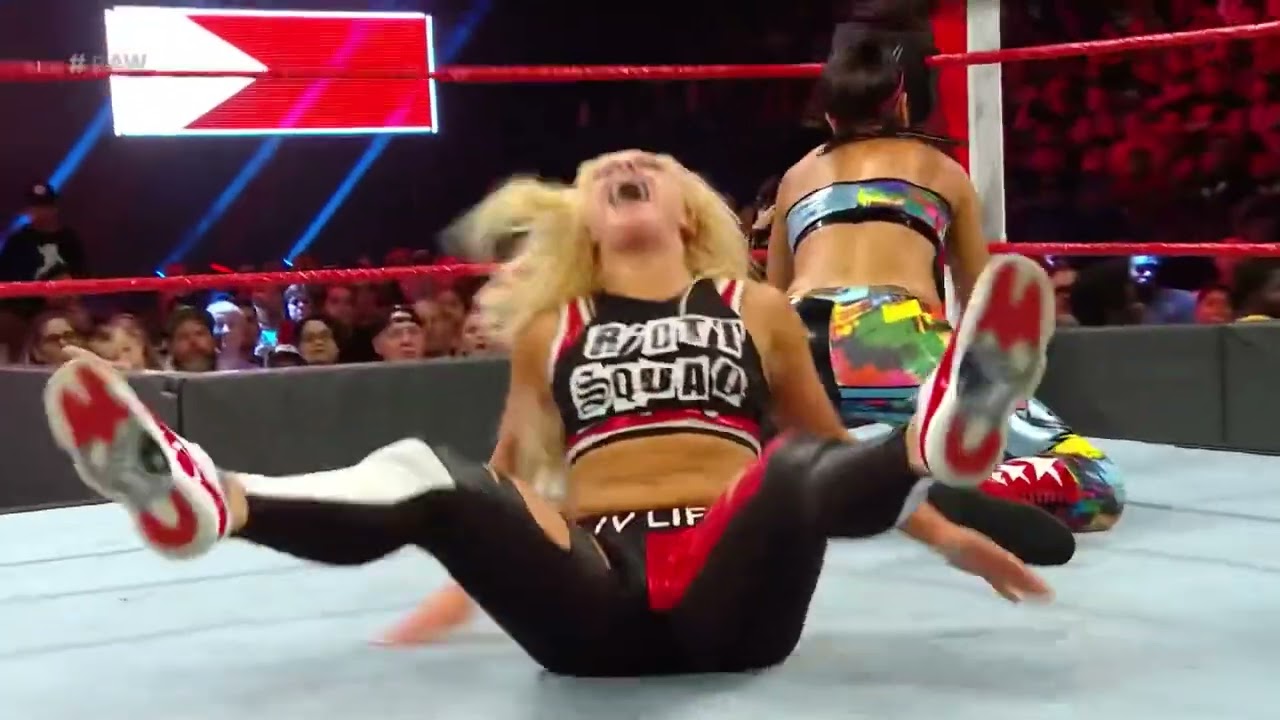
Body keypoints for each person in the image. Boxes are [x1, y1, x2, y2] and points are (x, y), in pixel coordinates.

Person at [44, 150, 1055, 677]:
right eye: (602, 171)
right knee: (423, 466)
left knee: (789, 466)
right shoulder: (552, 331)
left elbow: (827, 458)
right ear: (585, 220)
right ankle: (216, 499)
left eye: (645, 163)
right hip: (591, 597)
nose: (621, 166)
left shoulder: (755, 308)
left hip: (730, 579)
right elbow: (507, 484)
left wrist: (953, 539)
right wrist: (462, 583)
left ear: (685, 208)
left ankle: (932, 437)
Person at [768, 39, 1124, 536]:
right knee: (1097, 483)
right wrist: (973, 387)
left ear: (829, 115)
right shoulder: (942, 170)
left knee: (735, 463)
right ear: (902, 103)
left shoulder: (795, 177)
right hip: (891, 337)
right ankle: (976, 484)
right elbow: (983, 306)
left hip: (796, 341)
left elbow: (770, 299)